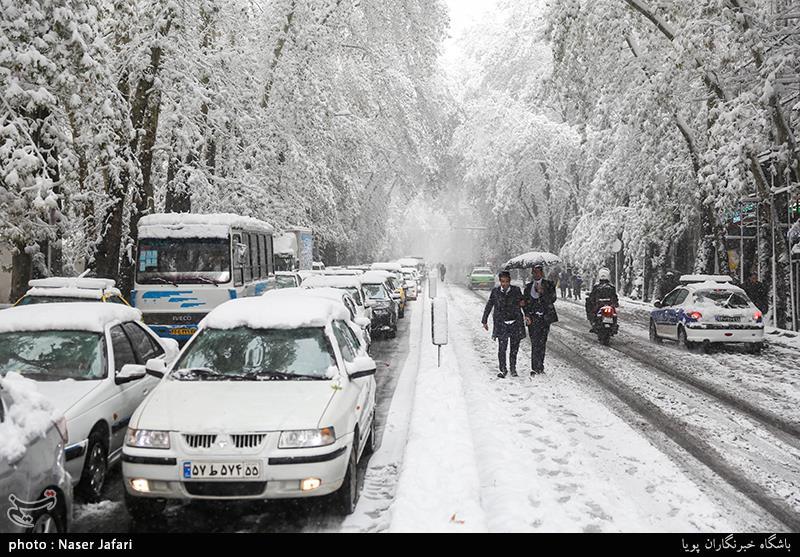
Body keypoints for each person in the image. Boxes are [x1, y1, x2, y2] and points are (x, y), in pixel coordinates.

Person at [482, 271, 526, 378]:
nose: (504, 284)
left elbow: (523, 303)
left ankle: (513, 368)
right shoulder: (495, 292)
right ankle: (503, 369)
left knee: (514, 348)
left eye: (506, 281)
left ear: (510, 281)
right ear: (500, 281)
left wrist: (527, 314)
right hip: (502, 324)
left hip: (515, 323)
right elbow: (489, 305)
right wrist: (484, 320)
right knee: (502, 348)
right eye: (502, 281)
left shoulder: (516, 290)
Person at [523, 264, 558, 375]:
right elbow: (525, 303)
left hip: (544, 319)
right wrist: (527, 314)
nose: (536, 274)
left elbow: (552, 299)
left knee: (542, 343)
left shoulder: (549, 285)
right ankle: (534, 367)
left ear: (542, 273)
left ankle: (540, 366)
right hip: (533, 319)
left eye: (538, 272)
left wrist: (542, 292)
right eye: (534, 272)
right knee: (534, 343)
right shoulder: (528, 287)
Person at [585, 267, 619, 332]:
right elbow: (615, 297)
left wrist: (591, 301)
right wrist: (615, 303)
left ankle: (593, 322)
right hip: (608, 305)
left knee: (591, 308)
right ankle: (614, 325)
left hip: (599, 305)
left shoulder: (597, 287)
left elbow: (592, 297)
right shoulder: (611, 287)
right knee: (614, 312)